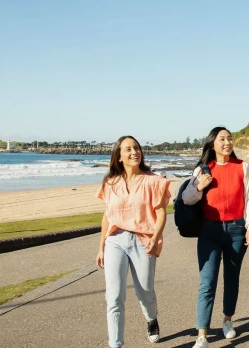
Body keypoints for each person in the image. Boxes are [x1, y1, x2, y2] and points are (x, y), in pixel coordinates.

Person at [182, 127, 249, 348]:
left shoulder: (242, 167)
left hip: (237, 230)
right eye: (222, 139)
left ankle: (227, 320)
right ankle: (202, 334)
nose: (227, 142)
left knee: (232, 279)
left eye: (229, 138)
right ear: (212, 143)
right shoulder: (203, 169)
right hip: (209, 231)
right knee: (207, 283)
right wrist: (200, 185)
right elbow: (187, 199)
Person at [96, 136, 170, 348]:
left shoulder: (153, 181)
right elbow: (107, 216)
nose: (134, 152)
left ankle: (151, 319)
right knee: (114, 296)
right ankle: (116, 343)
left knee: (145, 291)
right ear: (119, 156)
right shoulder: (110, 182)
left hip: (143, 240)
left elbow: (161, 213)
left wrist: (155, 238)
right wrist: (101, 247)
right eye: (128, 149)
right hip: (115, 240)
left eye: (136, 148)